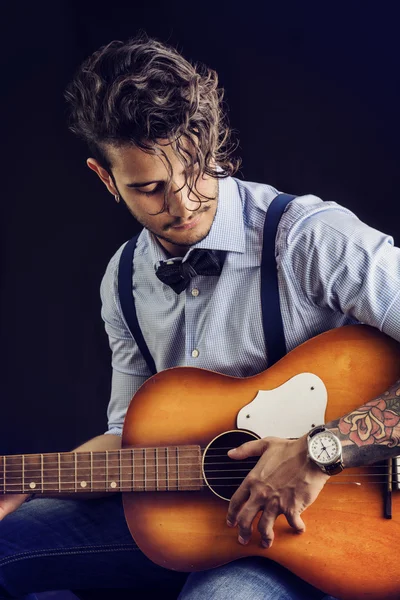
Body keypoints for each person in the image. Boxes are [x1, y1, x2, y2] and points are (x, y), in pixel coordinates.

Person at [0, 30, 399, 600]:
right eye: (151, 189)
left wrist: (322, 451)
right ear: (105, 178)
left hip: (317, 528)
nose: (184, 205)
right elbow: (130, 440)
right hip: (194, 519)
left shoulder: (310, 237)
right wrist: (30, 478)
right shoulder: (122, 282)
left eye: (197, 173)